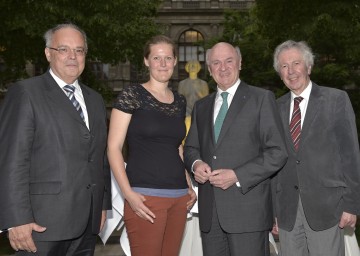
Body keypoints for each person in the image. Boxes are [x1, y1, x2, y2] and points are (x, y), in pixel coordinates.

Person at [0, 23, 111, 255]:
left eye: (79, 50)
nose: (72, 56)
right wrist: (16, 219)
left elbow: (100, 158)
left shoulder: (95, 100)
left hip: (87, 225)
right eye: (63, 49)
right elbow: (12, 161)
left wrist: (101, 206)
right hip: (41, 225)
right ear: (48, 53)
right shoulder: (25, 93)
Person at [183, 42, 287, 256]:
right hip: (211, 215)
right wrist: (196, 164)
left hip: (248, 212)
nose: (223, 67)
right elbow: (191, 147)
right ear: (209, 70)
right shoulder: (201, 107)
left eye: (229, 61)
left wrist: (237, 175)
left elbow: (277, 152)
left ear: (240, 64)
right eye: (216, 63)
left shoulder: (261, 99)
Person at [107, 35, 196, 256]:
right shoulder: (132, 95)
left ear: (175, 61)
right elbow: (113, 148)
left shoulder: (179, 101)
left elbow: (176, 147)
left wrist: (188, 185)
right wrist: (128, 193)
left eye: (168, 58)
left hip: (178, 197)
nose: (163, 63)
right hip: (145, 196)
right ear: (146, 61)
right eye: (157, 58)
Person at [272, 40, 360, 256]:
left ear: (309, 67)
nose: (291, 71)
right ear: (279, 73)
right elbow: (273, 162)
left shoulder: (336, 99)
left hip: (327, 207)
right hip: (287, 212)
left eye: (296, 63)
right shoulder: (274, 108)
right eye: (284, 66)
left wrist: (351, 204)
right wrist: (272, 211)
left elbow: (350, 156)